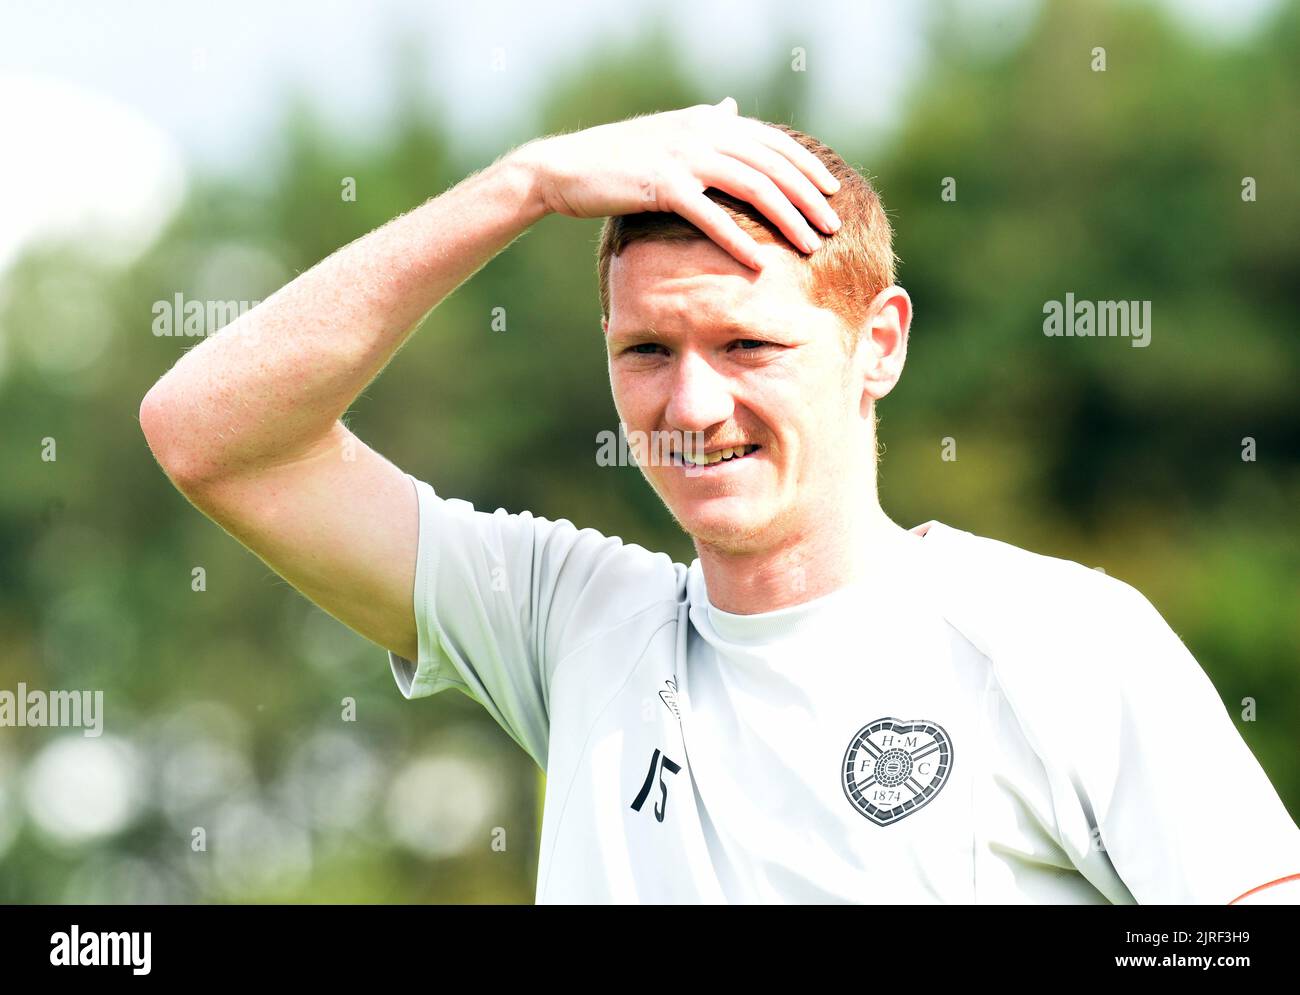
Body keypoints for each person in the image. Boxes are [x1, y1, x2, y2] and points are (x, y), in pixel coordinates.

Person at [140, 97, 1300, 904]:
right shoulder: (570, 620)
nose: (691, 401)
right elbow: (213, 438)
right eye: (646, 349)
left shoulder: (1057, 637)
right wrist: (521, 184)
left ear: (877, 344)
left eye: (747, 342)